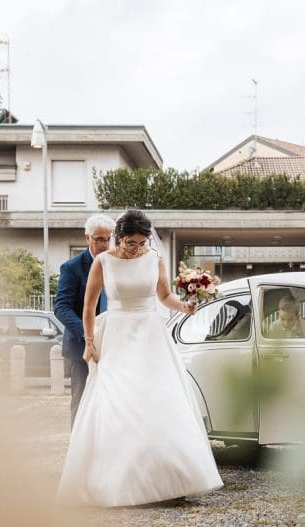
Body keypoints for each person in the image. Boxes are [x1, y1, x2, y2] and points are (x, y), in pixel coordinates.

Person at [56, 210, 223, 507]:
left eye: (142, 242)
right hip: (118, 336)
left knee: (160, 403)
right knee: (121, 405)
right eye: (131, 243)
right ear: (119, 237)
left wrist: (184, 307)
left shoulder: (153, 259)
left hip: (151, 337)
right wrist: (91, 341)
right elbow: (89, 305)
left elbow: (163, 296)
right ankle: (123, 483)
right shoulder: (103, 262)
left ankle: (171, 480)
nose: (137, 249)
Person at [54, 214, 115, 427]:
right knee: (81, 402)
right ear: (87, 238)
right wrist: (89, 333)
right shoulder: (71, 268)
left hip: (114, 345)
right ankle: (79, 453)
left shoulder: (118, 264)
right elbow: (61, 307)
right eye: (99, 239)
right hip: (81, 348)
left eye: (108, 239)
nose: (104, 244)